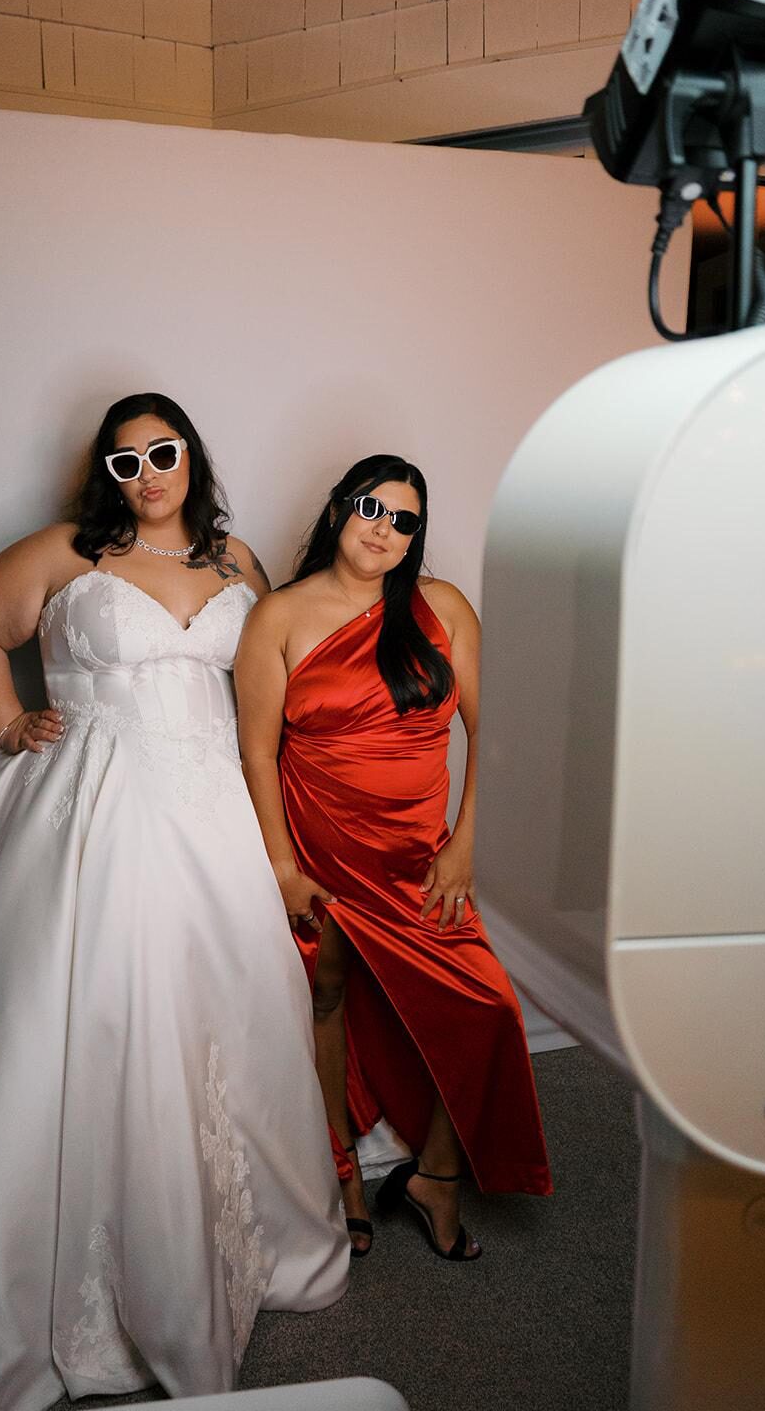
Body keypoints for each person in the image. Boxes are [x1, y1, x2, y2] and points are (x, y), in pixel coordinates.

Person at [0, 392, 348, 1411]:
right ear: (103, 476)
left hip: (214, 820)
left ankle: (228, 1243)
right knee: (88, 1014)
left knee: (227, 1013)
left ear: (191, 457)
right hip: (97, 813)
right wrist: (11, 716)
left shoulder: (239, 565)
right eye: (125, 461)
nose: (147, 473)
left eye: (162, 452)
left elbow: (263, 704)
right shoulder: (70, 550)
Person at [235, 454, 553, 1262]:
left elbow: (495, 732)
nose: (384, 529)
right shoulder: (276, 615)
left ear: (416, 536)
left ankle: (435, 1177)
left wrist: (463, 849)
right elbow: (257, 754)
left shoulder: (440, 606)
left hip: (419, 859)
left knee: (485, 1008)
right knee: (325, 995)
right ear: (341, 509)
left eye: (404, 520)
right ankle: (341, 1174)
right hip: (321, 848)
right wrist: (280, 866)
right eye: (371, 508)